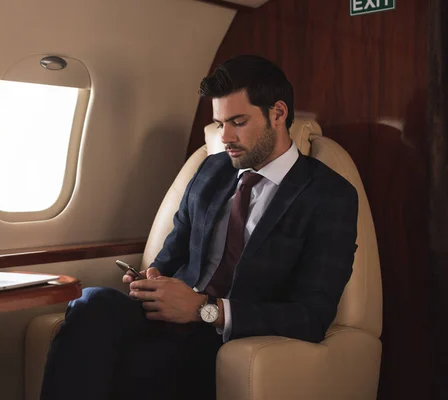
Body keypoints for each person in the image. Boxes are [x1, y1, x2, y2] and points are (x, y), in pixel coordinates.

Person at [40, 54, 358, 400]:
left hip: (228, 336)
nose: (226, 137)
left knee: (133, 362)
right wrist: (153, 279)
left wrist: (203, 309)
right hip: (170, 318)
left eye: (238, 122)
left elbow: (311, 317)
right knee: (91, 302)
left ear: (278, 114)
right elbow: (172, 253)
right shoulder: (211, 170)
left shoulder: (329, 196)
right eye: (220, 124)